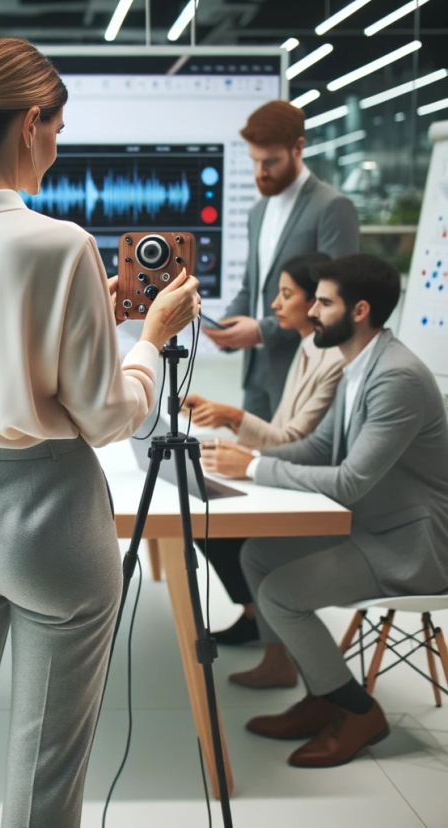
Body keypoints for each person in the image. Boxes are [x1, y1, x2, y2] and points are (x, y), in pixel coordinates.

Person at [0, 39, 201, 828]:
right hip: (53, 517)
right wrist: (148, 337)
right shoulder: (64, 245)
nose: (57, 143)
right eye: (57, 125)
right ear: (30, 126)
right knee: (46, 774)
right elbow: (107, 415)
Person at [203, 254, 448, 768]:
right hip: (373, 529)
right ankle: (321, 696)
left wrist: (253, 470)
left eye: (323, 302)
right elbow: (319, 450)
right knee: (257, 556)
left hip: (410, 546)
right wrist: (244, 462)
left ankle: (358, 712)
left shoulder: (396, 377)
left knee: (280, 593)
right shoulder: (360, 362)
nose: (311, 311)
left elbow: (351, 481)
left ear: (359, 310)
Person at [184, 253, 344, 648]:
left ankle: (260, 619)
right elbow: (284, 432)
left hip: (305, 484)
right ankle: (256, 615)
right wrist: (229, 420)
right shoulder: (306, 350)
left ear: (316, 302)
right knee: (206, 506)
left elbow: (294, 441)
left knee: (211, 522)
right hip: (286, 467)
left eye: (286, 294)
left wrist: (234, 419)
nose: (274, 305)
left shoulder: (334, 361)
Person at [204, 100, 359, 421]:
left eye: (271, 161)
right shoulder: (258, 212)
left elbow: (335, 301)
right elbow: (253, 285)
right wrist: (225, 325)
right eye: (254, 161)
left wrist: (262, 331)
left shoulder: (333, 208)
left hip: (304, 368)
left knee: (292, 467)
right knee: (253, 465)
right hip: (257, 371)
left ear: (298, 148)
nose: (260, 172)